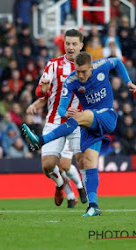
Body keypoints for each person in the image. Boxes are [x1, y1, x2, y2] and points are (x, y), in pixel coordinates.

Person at [22, 52, 136, 216]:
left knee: (82, 115)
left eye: (84, 71)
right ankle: (93, 206)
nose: (80, 75)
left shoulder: (101, 66)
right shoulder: (71, 81)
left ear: (91, 67)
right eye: (77, 71)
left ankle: (41, 140)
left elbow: (117, 62)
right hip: (88, 125)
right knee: (89, 162)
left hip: (106, 115)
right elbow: (61, 108)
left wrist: (129, 82)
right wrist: (66, 112)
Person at [26, 29, 87, 208]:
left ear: (81, 45)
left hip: (76, 124)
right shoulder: (53, 65)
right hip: (54, 122)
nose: (70, 47)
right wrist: (42, 91)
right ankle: (60, 185)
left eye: (74, 44)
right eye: (68, 43)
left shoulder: (88, 67)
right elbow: (41, 90)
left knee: (71, 162)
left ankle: (83, 191)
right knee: (48, 165)